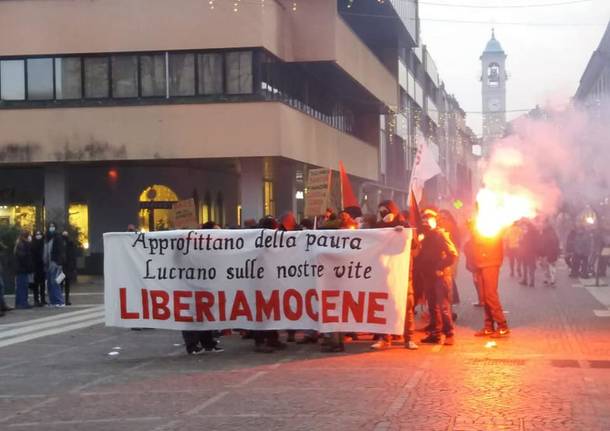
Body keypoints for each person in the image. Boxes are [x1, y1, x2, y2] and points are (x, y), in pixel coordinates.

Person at [370, 200, 419, 351]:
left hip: (403, 273)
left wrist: (403, 228)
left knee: (406, 306)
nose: (384, 213)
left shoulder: (404, 226)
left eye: (386, 210)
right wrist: (381, 224)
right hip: (385, 272)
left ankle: (409, 338)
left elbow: (415, 243)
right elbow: (372, 241)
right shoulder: (380, 226)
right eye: (381, 211)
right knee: (385, 306)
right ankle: (385, 338)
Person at [182, 221, 224, 354]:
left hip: (207, 285)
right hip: (191, 285)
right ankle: (192, 345)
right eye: (216, 231)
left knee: (207, 314)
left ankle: (208, 343)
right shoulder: (191, 245)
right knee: (192, 315)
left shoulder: (215, 246)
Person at [418, 209, 458, 346]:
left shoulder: (441, 234)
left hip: (440, 275)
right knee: (432, 306)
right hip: (428, 274)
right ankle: (435, 333)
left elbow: (453, 254)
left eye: (428, 218)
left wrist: (440, 267)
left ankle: (449, 333)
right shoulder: (423, 236)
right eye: (424, 218)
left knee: (443, 306)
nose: (426, 221)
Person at [252, 216, 286, 353]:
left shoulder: (272, 239)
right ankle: (260, 341)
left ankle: (273, 338)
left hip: (271, 281)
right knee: (261, 312)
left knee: (272, 310)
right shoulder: (257, 240)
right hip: (259, 282)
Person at [471, 227, 510, 338]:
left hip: (490, 263)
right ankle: (489, 326)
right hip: (482, 263)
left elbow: (486, 242)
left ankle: (502, 325)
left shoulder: (493, 229)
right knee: (485, 296)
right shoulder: (483, 227)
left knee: (490, 295)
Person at [44, 222, 66, 307]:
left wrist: (59, 262)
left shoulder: (57, 238)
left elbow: (60, 251)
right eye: (50, 226)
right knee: (50, 283)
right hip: (49, 263)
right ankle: (53, 301)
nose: (51, 228)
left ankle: (59, 301)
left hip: (55, 263)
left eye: (53, 226)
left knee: (55, 282)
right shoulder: (48, 238)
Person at [14, 230, 34, 309]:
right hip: (22, 269)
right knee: (23, 286)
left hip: (20, 269)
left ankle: (19, 303)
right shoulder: (23, 245)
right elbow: (24, 257)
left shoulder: (19, 244)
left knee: (20, 287)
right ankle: (22, 303)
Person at [539, 220, 560, 287]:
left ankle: (551, 280)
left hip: (549, 252)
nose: (542, 225)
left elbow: (544, 243)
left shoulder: (547, 233)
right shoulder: (550, 233)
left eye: (544, 224)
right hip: (548, 253)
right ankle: (550, 280)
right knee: (548, 266)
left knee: (548, 266)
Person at [519, 220, 539, 287]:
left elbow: (523, 242)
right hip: (532, 252)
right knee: (531, 267)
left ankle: (525, 280)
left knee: (525, 266)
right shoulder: (535, 233)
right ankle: (531, 281)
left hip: (526, 252)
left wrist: (520, 241)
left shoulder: (527, 234)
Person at [30, 230, 46, 306]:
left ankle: (43, 299)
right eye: (37, 234)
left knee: (42, 284)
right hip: (35, 267)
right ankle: (36, 300)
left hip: (42, 266)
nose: (38, 235)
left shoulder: (44, 243)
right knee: (36, 285)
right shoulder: (33, 244)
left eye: (39, 234)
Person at [61, 231, 77, 305]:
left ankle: (66, 299)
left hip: (67, 267)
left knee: (66, 284)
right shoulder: (60, 243)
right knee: (61, 283)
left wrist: (73, 266)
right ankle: (62, 299)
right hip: (62, 267)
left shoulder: (70, 244)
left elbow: (72, 256)